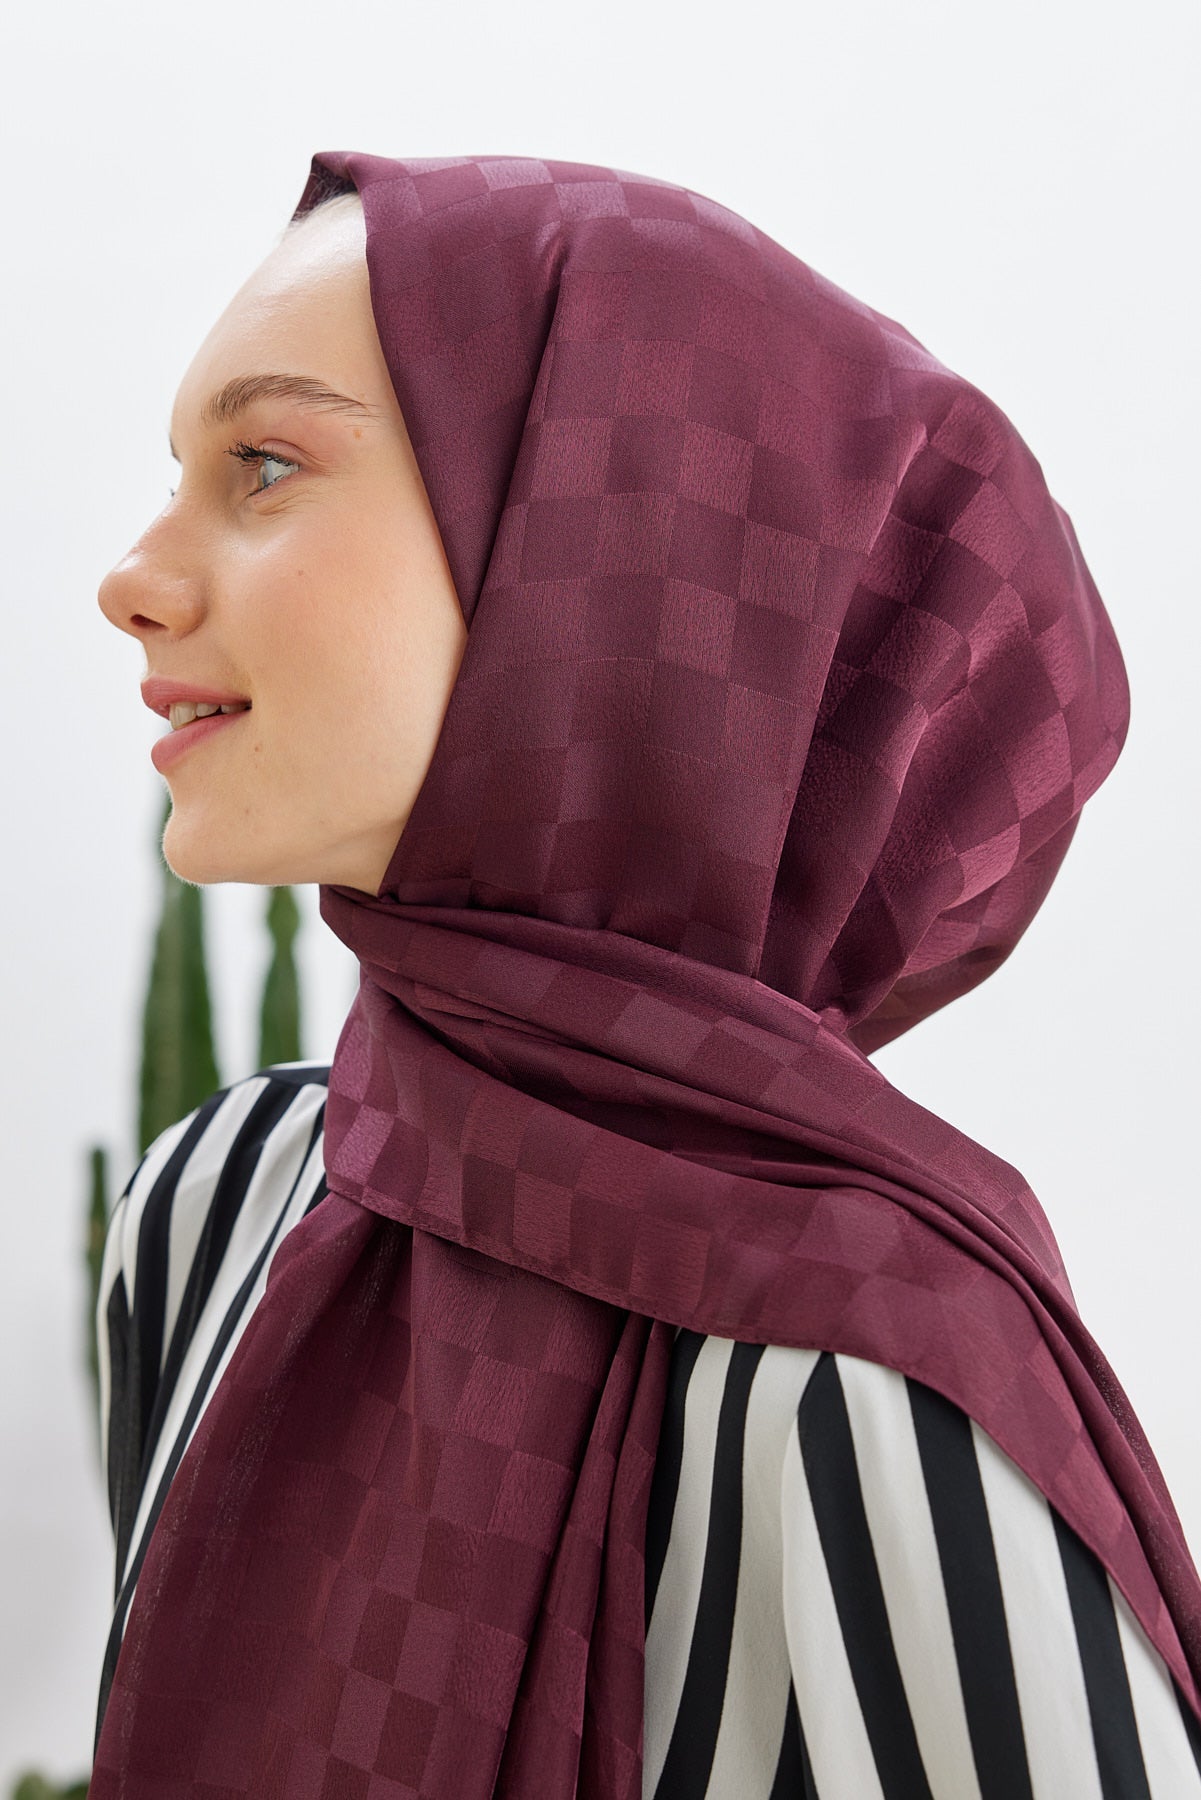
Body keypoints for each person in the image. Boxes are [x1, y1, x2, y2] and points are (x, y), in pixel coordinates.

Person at [91, 153, 1201, 1797]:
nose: (131, 579)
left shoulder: (868, 1392)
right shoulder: (211, 1216)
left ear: (598, 545)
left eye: (263, 464)